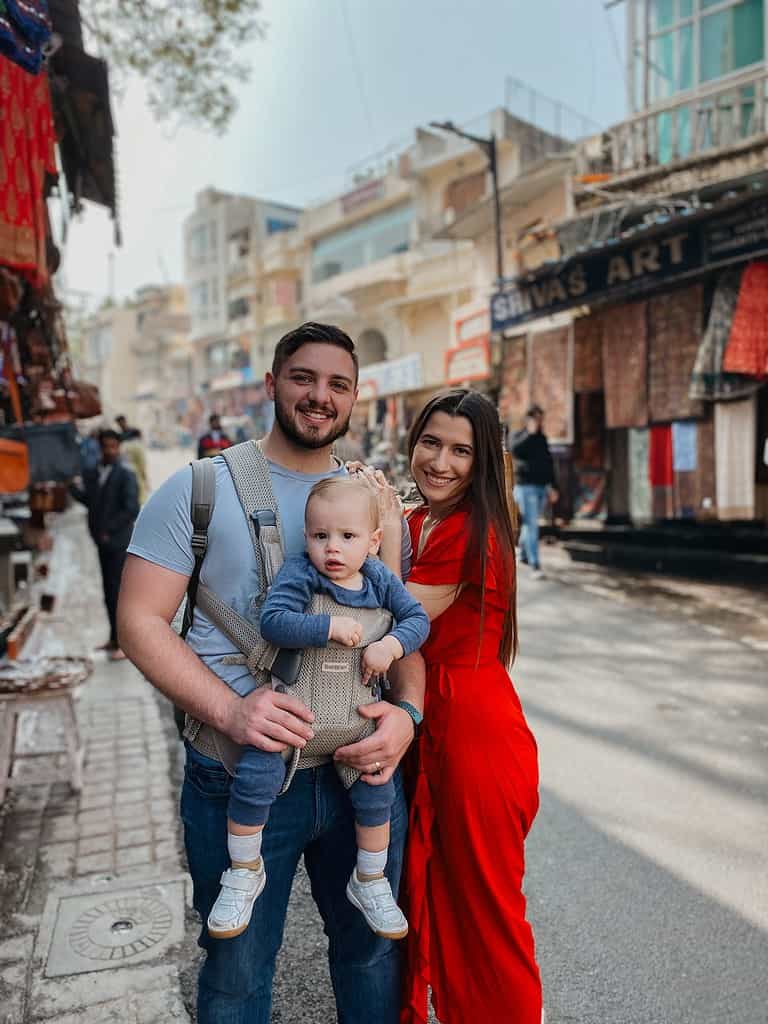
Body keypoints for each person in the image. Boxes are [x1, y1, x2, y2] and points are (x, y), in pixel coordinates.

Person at [117, 322, 425, 1024]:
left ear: (355, 397)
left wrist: (407, 718)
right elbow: (139, 621)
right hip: (238, 772)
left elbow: (400, 635)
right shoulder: (199, 487)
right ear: (271, 384)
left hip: (357, 772)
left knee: (373, 956)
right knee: (236, 971)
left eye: (338, 384)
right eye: (304, 378)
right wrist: (230, 712)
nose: (321, 396)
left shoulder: (371, 503)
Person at [207, 476, 429, 941]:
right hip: (297, 720)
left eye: (347, 537)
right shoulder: (300, 574)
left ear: (372, 542)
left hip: (356, 723)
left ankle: (370, 880)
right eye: (319, 536)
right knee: (255, 779)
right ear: (305, 537)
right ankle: (244, 869)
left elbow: (417, 620)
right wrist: (326, 626)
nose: (332, 548)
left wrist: (388, 646)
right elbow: (274, 622)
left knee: (376, 794)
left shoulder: (380, 580)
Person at [397, 388, 542, 1024]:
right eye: (431, 442)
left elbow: (386, 618)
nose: (441, 462)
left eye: (462, 450)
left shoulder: (468, 529)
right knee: (432, 899)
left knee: (485, 912)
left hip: (474, 733)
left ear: (483, 461)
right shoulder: (413, 522)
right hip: (432, 719)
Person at [71, 429, 139, 661]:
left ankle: (125, 644)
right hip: (102, 542)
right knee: (108, 592)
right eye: (105, 446)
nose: (109, 451)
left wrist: (109, 531)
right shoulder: (94, 472)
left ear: (118, 448)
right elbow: (90, 500)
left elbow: (131, 509)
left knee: (119, 593)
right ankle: (113, 638)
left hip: (118, 542)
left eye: (113, 446)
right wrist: (70, 486)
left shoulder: (125, 474)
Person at [509, 404, 559, 578]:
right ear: (528, 419)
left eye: (540, 418)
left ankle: (523, 554)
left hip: (541, 487)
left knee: (531, 524)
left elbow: (549, 463)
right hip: (526, 487)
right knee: (532, 524)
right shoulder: (519, 436)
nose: (538, 422)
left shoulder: (542, 439)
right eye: (535, 418)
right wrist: (529, 433)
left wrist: (553, 486)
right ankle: (535, 565)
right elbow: (515, 450)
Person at [115, 416, 149, 505]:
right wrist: (146, 480)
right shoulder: (136, 446)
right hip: (135, 476)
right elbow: (142, 466)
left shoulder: (122, 440)